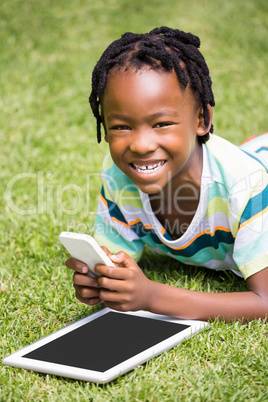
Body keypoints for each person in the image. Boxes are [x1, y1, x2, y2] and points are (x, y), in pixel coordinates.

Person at [66, 27, 268, 322]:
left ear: (203, 119)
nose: (141, 145)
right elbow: (112, 259)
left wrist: (151, 296)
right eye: (122, 126)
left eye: (161, 124)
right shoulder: (120, 175)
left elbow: (263, 301)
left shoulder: (246, 187)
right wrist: (101, 281)